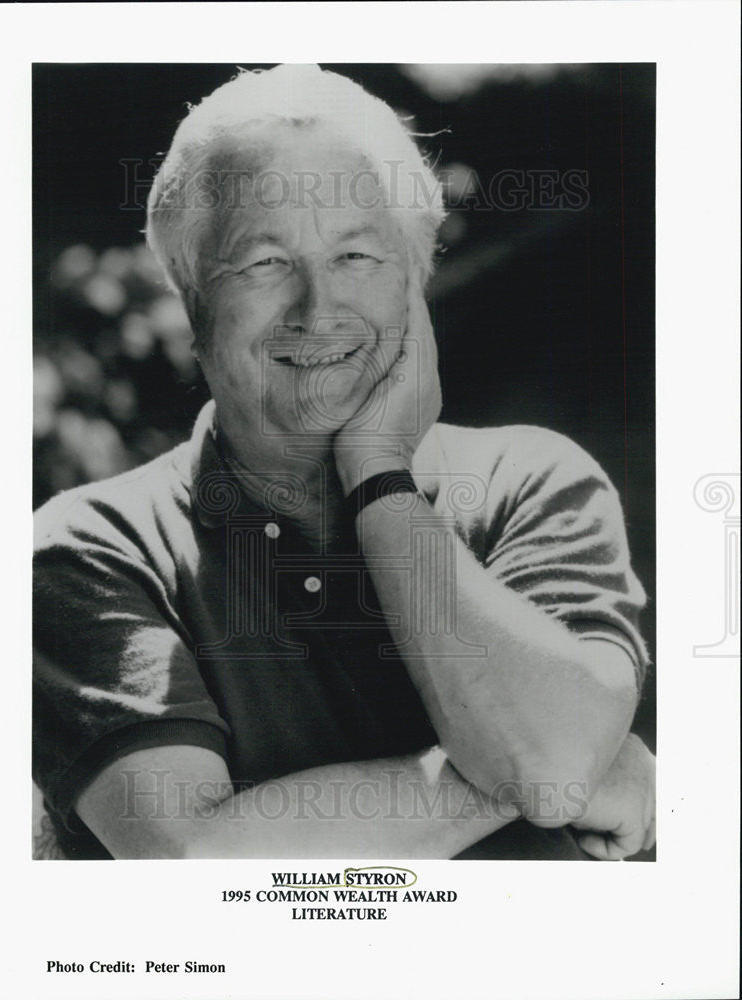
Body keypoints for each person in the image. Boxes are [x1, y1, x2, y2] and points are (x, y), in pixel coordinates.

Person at [33, 64, 655, 861]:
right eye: (262, 264)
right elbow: (194, 864)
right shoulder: (88, 546)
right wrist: (560, 768)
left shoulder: (530, 483)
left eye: (357, 257)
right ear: (193, 308)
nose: (317, 309)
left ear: (415, 289)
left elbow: (547, 762)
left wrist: (380, 479)